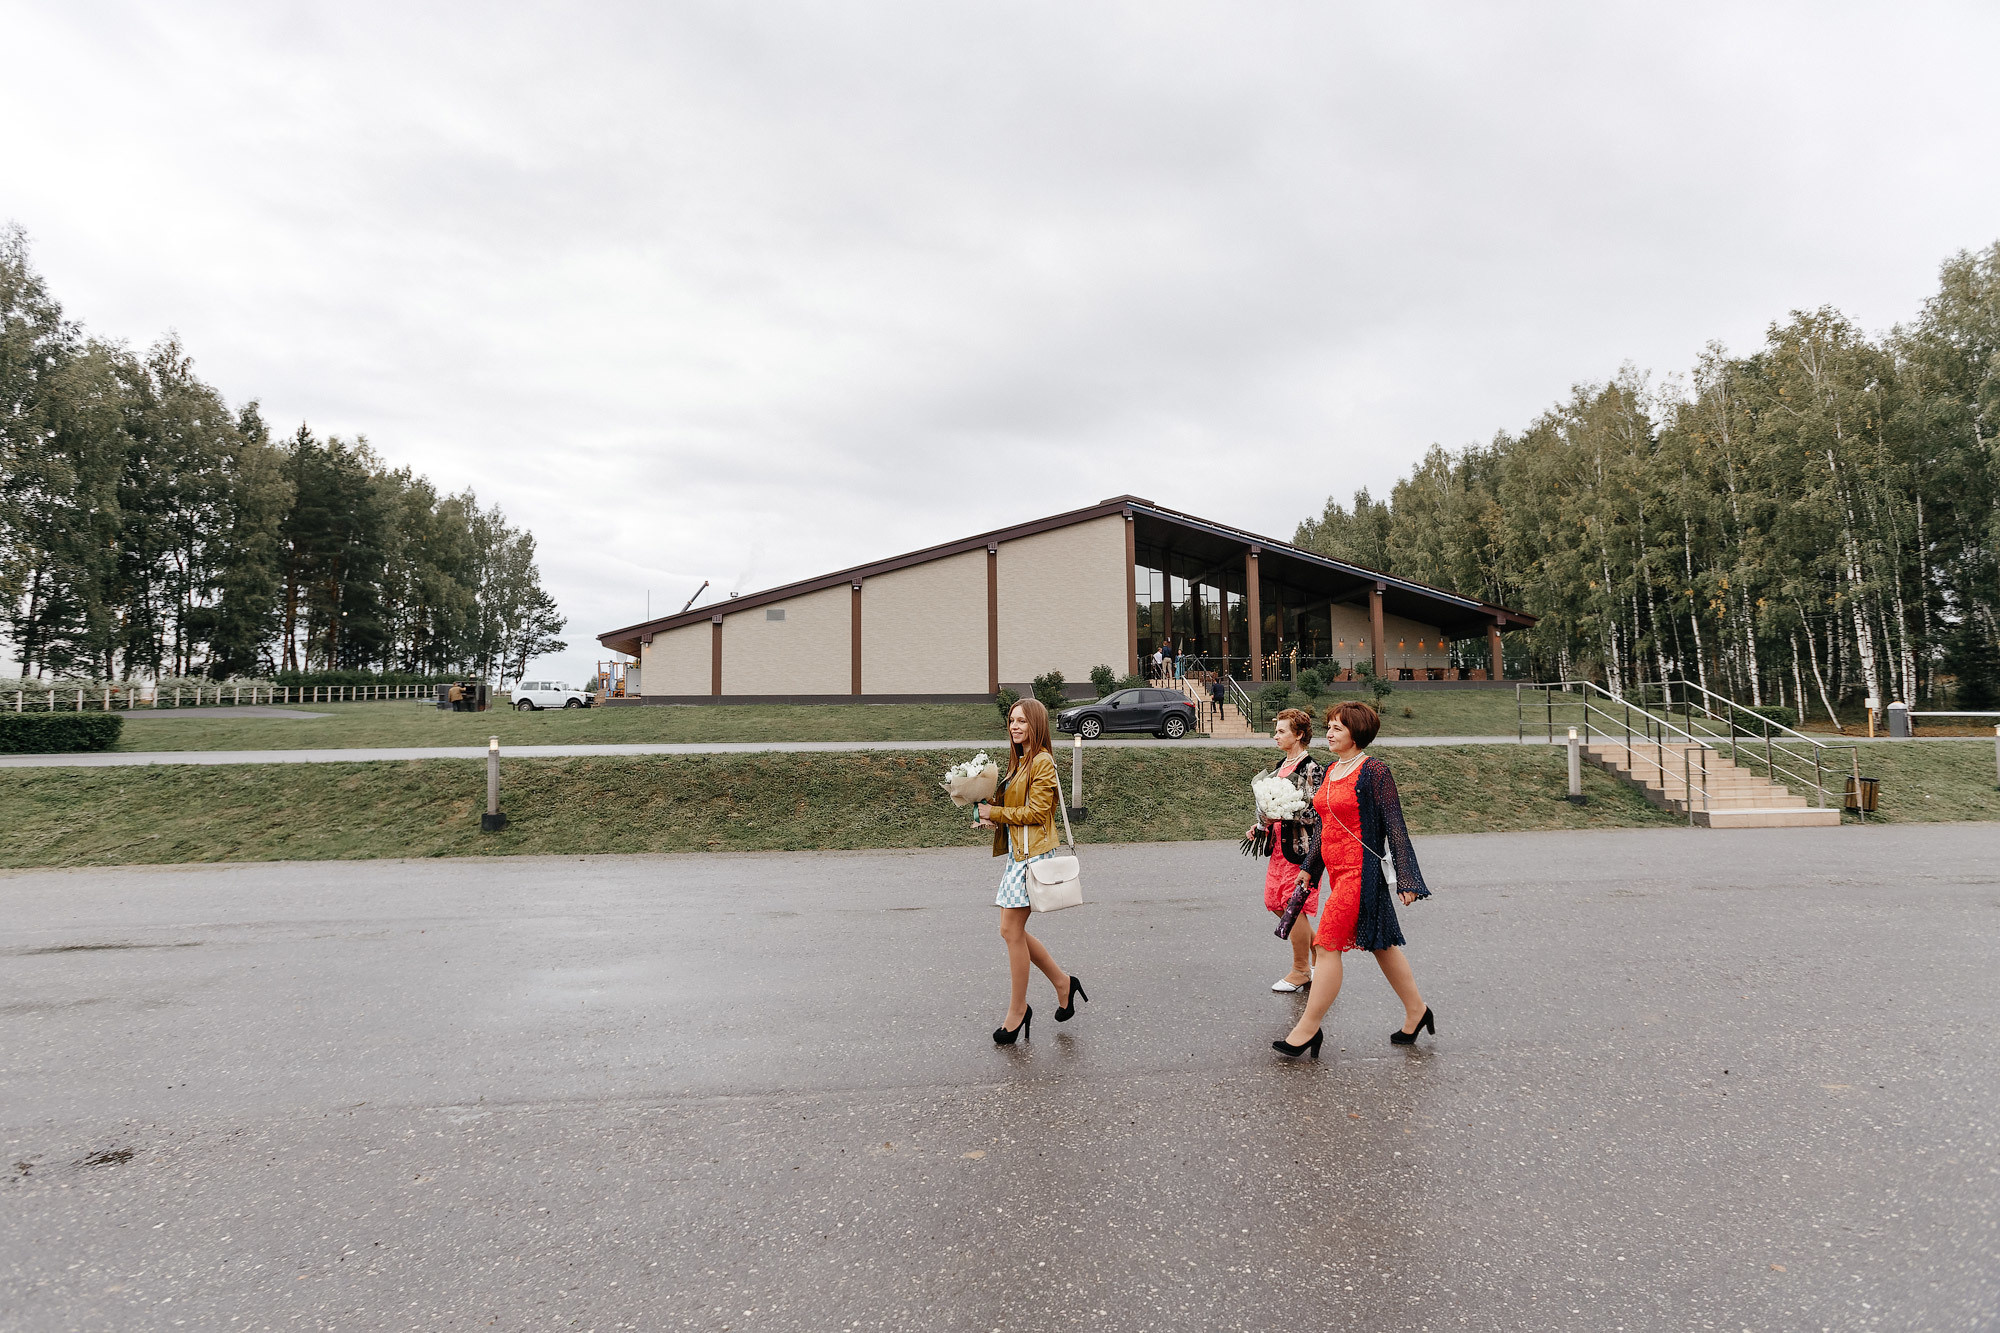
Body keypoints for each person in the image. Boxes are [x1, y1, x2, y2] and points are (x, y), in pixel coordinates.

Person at [1271, 700, 1434, 1058]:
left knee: (1326, 945)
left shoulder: (1374, 771)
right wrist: (1310, 869)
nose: (1328, 732)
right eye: (1328, 726)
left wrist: (1407, 879)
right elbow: (1324, 828)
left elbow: (1395, 826)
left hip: (1362, 874)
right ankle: (1417, 1011)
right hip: (1338, 873)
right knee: (1382, 945)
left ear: (1356, 734)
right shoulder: (1331, 770)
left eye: (1337, 728)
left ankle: (1307, 1029)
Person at [974, 698, 1087, 1045]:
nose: (1015, 726)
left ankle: (1018, 1010)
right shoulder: (1018, 761)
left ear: (1036, 724)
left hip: (1033, 856)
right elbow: (1011, 809)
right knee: (1012, 931)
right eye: (1011, 720)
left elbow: (1037, 812)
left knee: (1010, 930)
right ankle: (1063, 983)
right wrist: (987, 814)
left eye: (1022, 720)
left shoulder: (1042, 762)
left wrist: (996, 814)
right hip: (1018, 855)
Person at [1244, 708, 1324, 993]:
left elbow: (1318, 813)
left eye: (1281, 731)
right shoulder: (1281, 766)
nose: (1274, 736)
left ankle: (1301, 970)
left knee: (1294, 906)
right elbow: (1271, 806)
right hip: (1278, 847)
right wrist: (1261, 826)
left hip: (1301, 850)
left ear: (1299, 734)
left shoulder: (1311, 768)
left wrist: (1285, 815)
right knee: (1275, 902)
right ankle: (1318, 953)